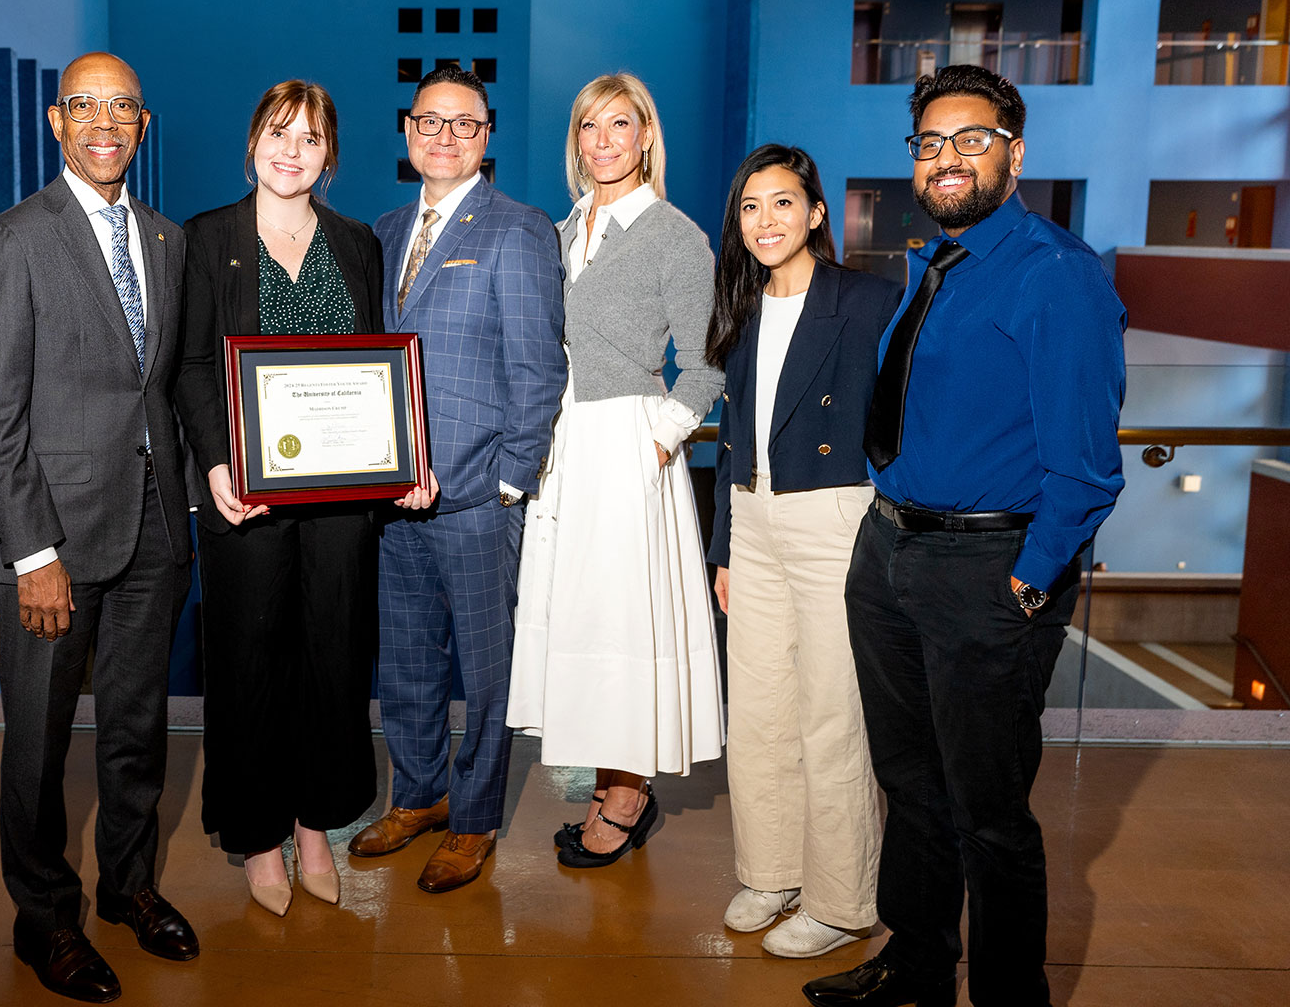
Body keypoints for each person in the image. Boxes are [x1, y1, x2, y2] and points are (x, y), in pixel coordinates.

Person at [804, 65, 1125, 1007]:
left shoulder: (1056, 277)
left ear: (1015, 153)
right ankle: (917, 963)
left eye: (972, 139)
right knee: (909, 785)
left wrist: (1029, 582)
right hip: (892, 553)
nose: (949, 159)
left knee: (990, 815)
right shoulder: (935, 266)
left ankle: (1007, 994)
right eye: (931, 143)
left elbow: (1087, 466)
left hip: (989, 570)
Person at [0, 52, 198, 1004]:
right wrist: (33, 554)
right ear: (58, 122)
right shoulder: (13, 239)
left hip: (153, 533)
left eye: (124, 108)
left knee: (137, 734)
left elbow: (163, 385)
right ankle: (43, 921)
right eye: (85, 107)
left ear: (143, 124)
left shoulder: (167, 239)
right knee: (38, 744)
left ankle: (130, 888)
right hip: (52, 543)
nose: (105, 123)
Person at [347, 65, 568, 893]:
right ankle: (418, 797)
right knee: (404, 665)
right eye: (429, 122)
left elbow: (538, 369)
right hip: (392, 498)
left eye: (463, 123)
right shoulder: (381, 229)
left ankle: (473, 820)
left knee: (484, 671)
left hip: (476, 498)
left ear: (488, 135)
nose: (444, 136)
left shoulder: (518, 227)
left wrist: (508, 482)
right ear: (407, 133)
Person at [175, 81, 385, 915]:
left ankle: (314, 825)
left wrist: (393, 462)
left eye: (309, 138)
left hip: (340, 499)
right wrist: (220, 465)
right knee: (248, 664)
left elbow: (379, 369)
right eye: (277, 131)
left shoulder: (356, 243)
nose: (291, 150)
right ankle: (260, 838)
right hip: (246, 498)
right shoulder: (207, 239)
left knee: (332, 662)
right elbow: (191, 366)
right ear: (252, 141)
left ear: (329, 155)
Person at [506, 72, 725, 868]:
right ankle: (609, 779)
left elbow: (703, 367)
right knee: (587, 625)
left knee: (626, 626)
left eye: (619, 125)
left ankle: (628, 794)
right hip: (563, 449)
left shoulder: (676, 237)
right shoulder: (561, 232)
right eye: (589, 127)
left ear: (645, 137)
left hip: (627, 449)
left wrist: (656, 443)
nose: (603, 141)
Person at [702, 145, 900, 956]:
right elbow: (732, 435)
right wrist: (721, 545)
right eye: (750, 208)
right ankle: (774, 870)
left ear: (817, 212)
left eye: (782, 203)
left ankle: (844, 900)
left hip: (832, 518)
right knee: (757, 714)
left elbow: (899, 419)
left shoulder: (868, 300)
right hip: (754, 520)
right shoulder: (743, 307)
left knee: (832, 717)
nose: (765, 221)